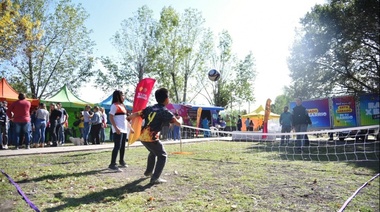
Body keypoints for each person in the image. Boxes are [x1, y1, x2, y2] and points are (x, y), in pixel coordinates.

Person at [127, 88, 181, 185]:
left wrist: (129, 117)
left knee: (153, 152)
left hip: (142, 136)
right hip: (151, 137)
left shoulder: (149, 108)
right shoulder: (165, 111)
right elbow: (178, 123)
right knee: (162, 155)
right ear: (166, 99)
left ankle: (148, 172)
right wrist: (180, 119)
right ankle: (155, 178)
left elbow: (137, 114)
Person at [108, 90, 134, 172]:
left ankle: (121, 161)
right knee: (117, 146)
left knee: (122, 146)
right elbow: (111, 117)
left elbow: (125, 119)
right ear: (118, 96)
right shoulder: (114, 106)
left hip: (124, 129)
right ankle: (112, 164)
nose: (124, 97)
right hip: (118, 129)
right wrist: (116, 128)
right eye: (122, 95)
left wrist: (130, 128)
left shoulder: (123, 106)